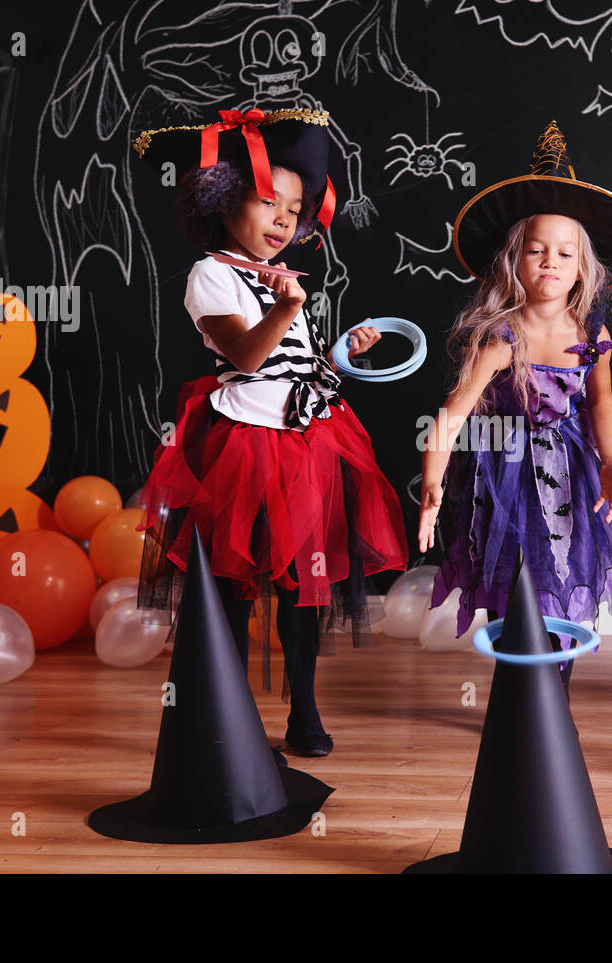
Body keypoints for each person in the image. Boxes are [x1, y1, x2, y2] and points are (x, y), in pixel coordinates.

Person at [132, 107, 408, 755]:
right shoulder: (211, 274)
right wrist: (286, 308)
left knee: (303, 586)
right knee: (234, 584)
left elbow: (299, 368)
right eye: (266, 202)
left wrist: (343, 353)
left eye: (293, 209)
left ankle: (304, 709)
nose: (283, 220)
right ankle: (228, 715)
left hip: (308, 441)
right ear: (223, 201)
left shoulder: (283, 281)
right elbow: (249, 358)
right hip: (244, 444)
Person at [418, 121, 612, 692]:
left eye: (563, 253)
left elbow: (603, 403)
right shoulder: (502, 337)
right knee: (512, 571)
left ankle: (555, 691)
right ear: (514, 262)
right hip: (505, 471)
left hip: (570, 470)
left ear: (581, 267)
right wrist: (431, 483)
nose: (549, 262)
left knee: (564, 570)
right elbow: (452, 414)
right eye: (535, 250)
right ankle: (518, 691)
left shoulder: (591, 332)